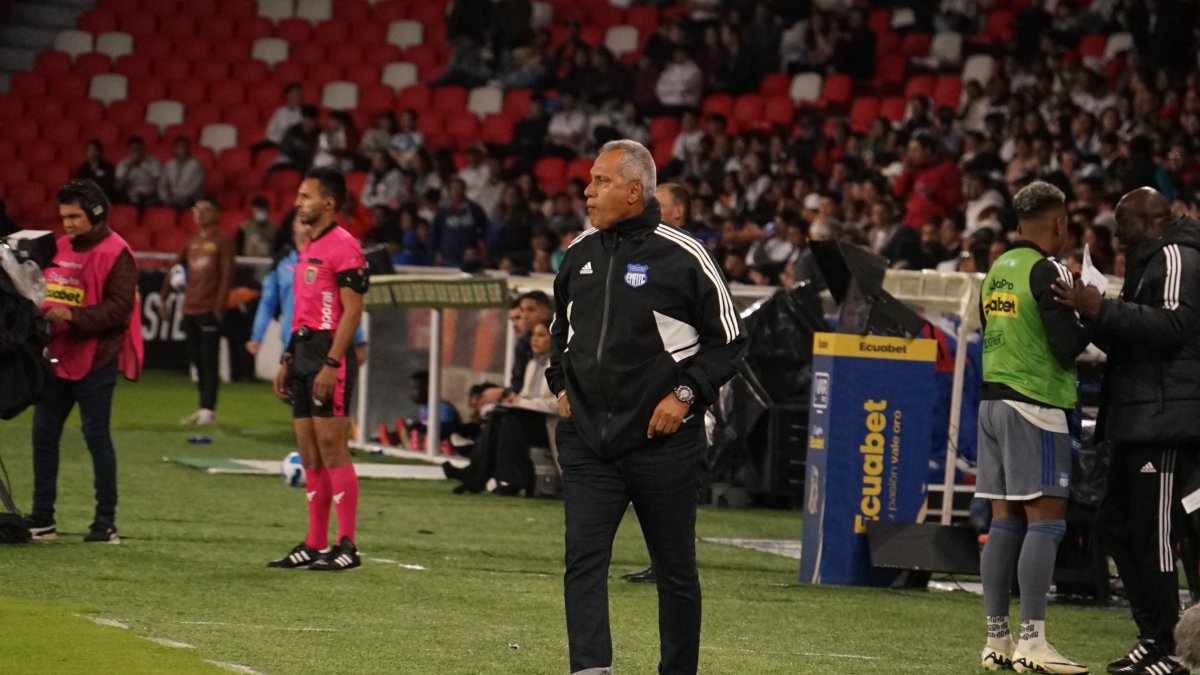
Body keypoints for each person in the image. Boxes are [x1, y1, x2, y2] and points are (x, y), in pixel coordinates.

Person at [547, 140, 745, 675]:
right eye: (589, 181)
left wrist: (685, 396)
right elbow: (557, 332)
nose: (587, 191)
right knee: (582, 562)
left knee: (676, 570)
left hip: (666, 446)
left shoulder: (685, 256)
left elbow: (730, 340)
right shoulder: (580, 252)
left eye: (601, 182)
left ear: (635, 191)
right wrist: (561, 389)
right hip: (590, 443)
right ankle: (591, 669)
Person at [1053, 187, 1200, 675]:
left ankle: (1174, 649)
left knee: (1153, 535)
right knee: (1113, 524)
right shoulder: (1150, 258)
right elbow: (1136, 336)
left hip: (1167, 421)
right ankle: (1153, 636)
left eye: (1124, 225)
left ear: (1154, 219)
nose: (1117, 235)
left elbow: (1174, 327)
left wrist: (1103, 308)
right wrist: (1089, 311)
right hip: (1140, 416)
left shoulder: (1178, 254)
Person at [974, 182, 1090, 674]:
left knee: (1004, 522)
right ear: (1059, 224)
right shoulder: (1050, 271)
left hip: (991, 405)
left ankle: (996, 639)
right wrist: (1089, 306)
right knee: (1046, 521)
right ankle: (1034, 642)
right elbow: (1069, 345)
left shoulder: (998, 269)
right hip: (1035, 405)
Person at [27, 179, 142, 544]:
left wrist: (73, 316)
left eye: (75, 216)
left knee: (96, 438)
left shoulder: (117, 253)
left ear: (95, 213)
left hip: (96, 361)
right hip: (56, 359)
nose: (68, 224)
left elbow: (120, 308)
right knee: (43, 438)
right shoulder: (58, 248)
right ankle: (43, 518)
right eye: (64, 217)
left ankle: (104, 522)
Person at [268, 167, 368, 572]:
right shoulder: (309, 245)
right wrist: (288, 358)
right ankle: (314, 542)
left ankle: (347, 545)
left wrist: (331, 363)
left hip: (329, 354)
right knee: (308, 452)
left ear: (327, 202)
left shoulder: (345, 246)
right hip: (304, 351)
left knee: (332, 448)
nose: (297, 203)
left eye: (305, 196)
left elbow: (352, 312)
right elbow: (303, 310)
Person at [622, 181, 695, 587]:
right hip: (646, 398)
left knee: (673, 493)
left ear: (679, 213)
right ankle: (664, 562)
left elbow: (721, 339)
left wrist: (690, 392)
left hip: (684, 399)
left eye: (659, 205)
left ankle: (674, 566)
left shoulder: (689, 259)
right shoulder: (638, 252)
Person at [444, 317, 558, 495]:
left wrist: (520, 402)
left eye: (541, 335)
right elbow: (525, 396)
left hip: (550, 424)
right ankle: (482, 476)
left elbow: (557, 406)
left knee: (509, 420)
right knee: (499, 415)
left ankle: (492, 477)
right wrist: (514, 400)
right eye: (534, 335)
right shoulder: (533, 364)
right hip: (530, 418)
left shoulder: (559, 366)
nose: (535, 340)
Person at [161, 196, 235, 426]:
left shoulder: (223, 241)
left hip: (208, 308)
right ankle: (202, 406)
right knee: (196, 360)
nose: (199, 214)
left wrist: (219, 305)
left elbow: (227, 274)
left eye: (205, 209)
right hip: (189, 307)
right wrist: (164, 297)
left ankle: (208, 408)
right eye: (196, 209)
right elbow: (176, 267)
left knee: (209, 360)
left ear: (216, 213)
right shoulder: (192, 240)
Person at [158, 136, 205, 211]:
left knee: (183, 202)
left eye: (184, 147)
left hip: (189, 198)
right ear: (174, 149)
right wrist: (165, 197)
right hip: (172, 198)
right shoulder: (169, 164)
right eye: (179, 147)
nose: (182, 150)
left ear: (189, 149)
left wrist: (177, 196)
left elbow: (194, 188)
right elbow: (162, 183)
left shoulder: (196, 165)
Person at [114, 136, 162, 207]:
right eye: (133, 150)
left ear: (143, 149)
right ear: (129, 151)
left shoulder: (152, 162)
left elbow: (159, 181)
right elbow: (118, 187)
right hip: (131, 197)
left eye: (138, 149)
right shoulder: (123, 164)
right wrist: (129, 169)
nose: (136, 152)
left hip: (150, 196)